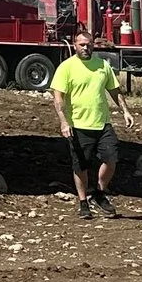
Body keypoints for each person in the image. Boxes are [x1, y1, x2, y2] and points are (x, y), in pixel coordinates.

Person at [50, 28, 133, 219]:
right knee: (81, 166)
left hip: (102, 123)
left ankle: (99, 193)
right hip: (78, 125)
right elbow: (58, 97)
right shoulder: (66, 67)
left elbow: (114, 90)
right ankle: (83, 202)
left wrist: (126, 112)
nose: (86, 48)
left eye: (89, 45)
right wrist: (63, 122)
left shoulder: (103, 66)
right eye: (82, 45)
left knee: (111, 159)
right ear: (75, 45)